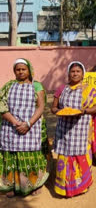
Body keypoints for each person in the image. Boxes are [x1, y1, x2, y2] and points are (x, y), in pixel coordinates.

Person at [0, 58, 49, 197]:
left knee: (31, 155)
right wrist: (15, 122)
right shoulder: (8, 86)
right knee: (10, 155)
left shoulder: (37, 86)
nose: (21, 72)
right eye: (18, 69)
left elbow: (40, 107)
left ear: (29, 70)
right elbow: (1, 105)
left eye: (23, 69)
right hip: (11, 127)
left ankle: (33, 184)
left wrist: (28, 123)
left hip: (31, 126)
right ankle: (10, 186)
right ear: (14, 71)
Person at [51, 61, 96, 197]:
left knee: (80, 155)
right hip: (64, 129)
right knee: (65, 155)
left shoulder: (89, 89)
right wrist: (59, 112)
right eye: (72, 71)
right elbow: (53, 107)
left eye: (78, 71)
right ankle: (64, 187)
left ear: (83, 74)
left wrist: (84, 111)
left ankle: (81, 185)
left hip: (81, 129)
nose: (75, 74)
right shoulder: (62, 89)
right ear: (68, 74)